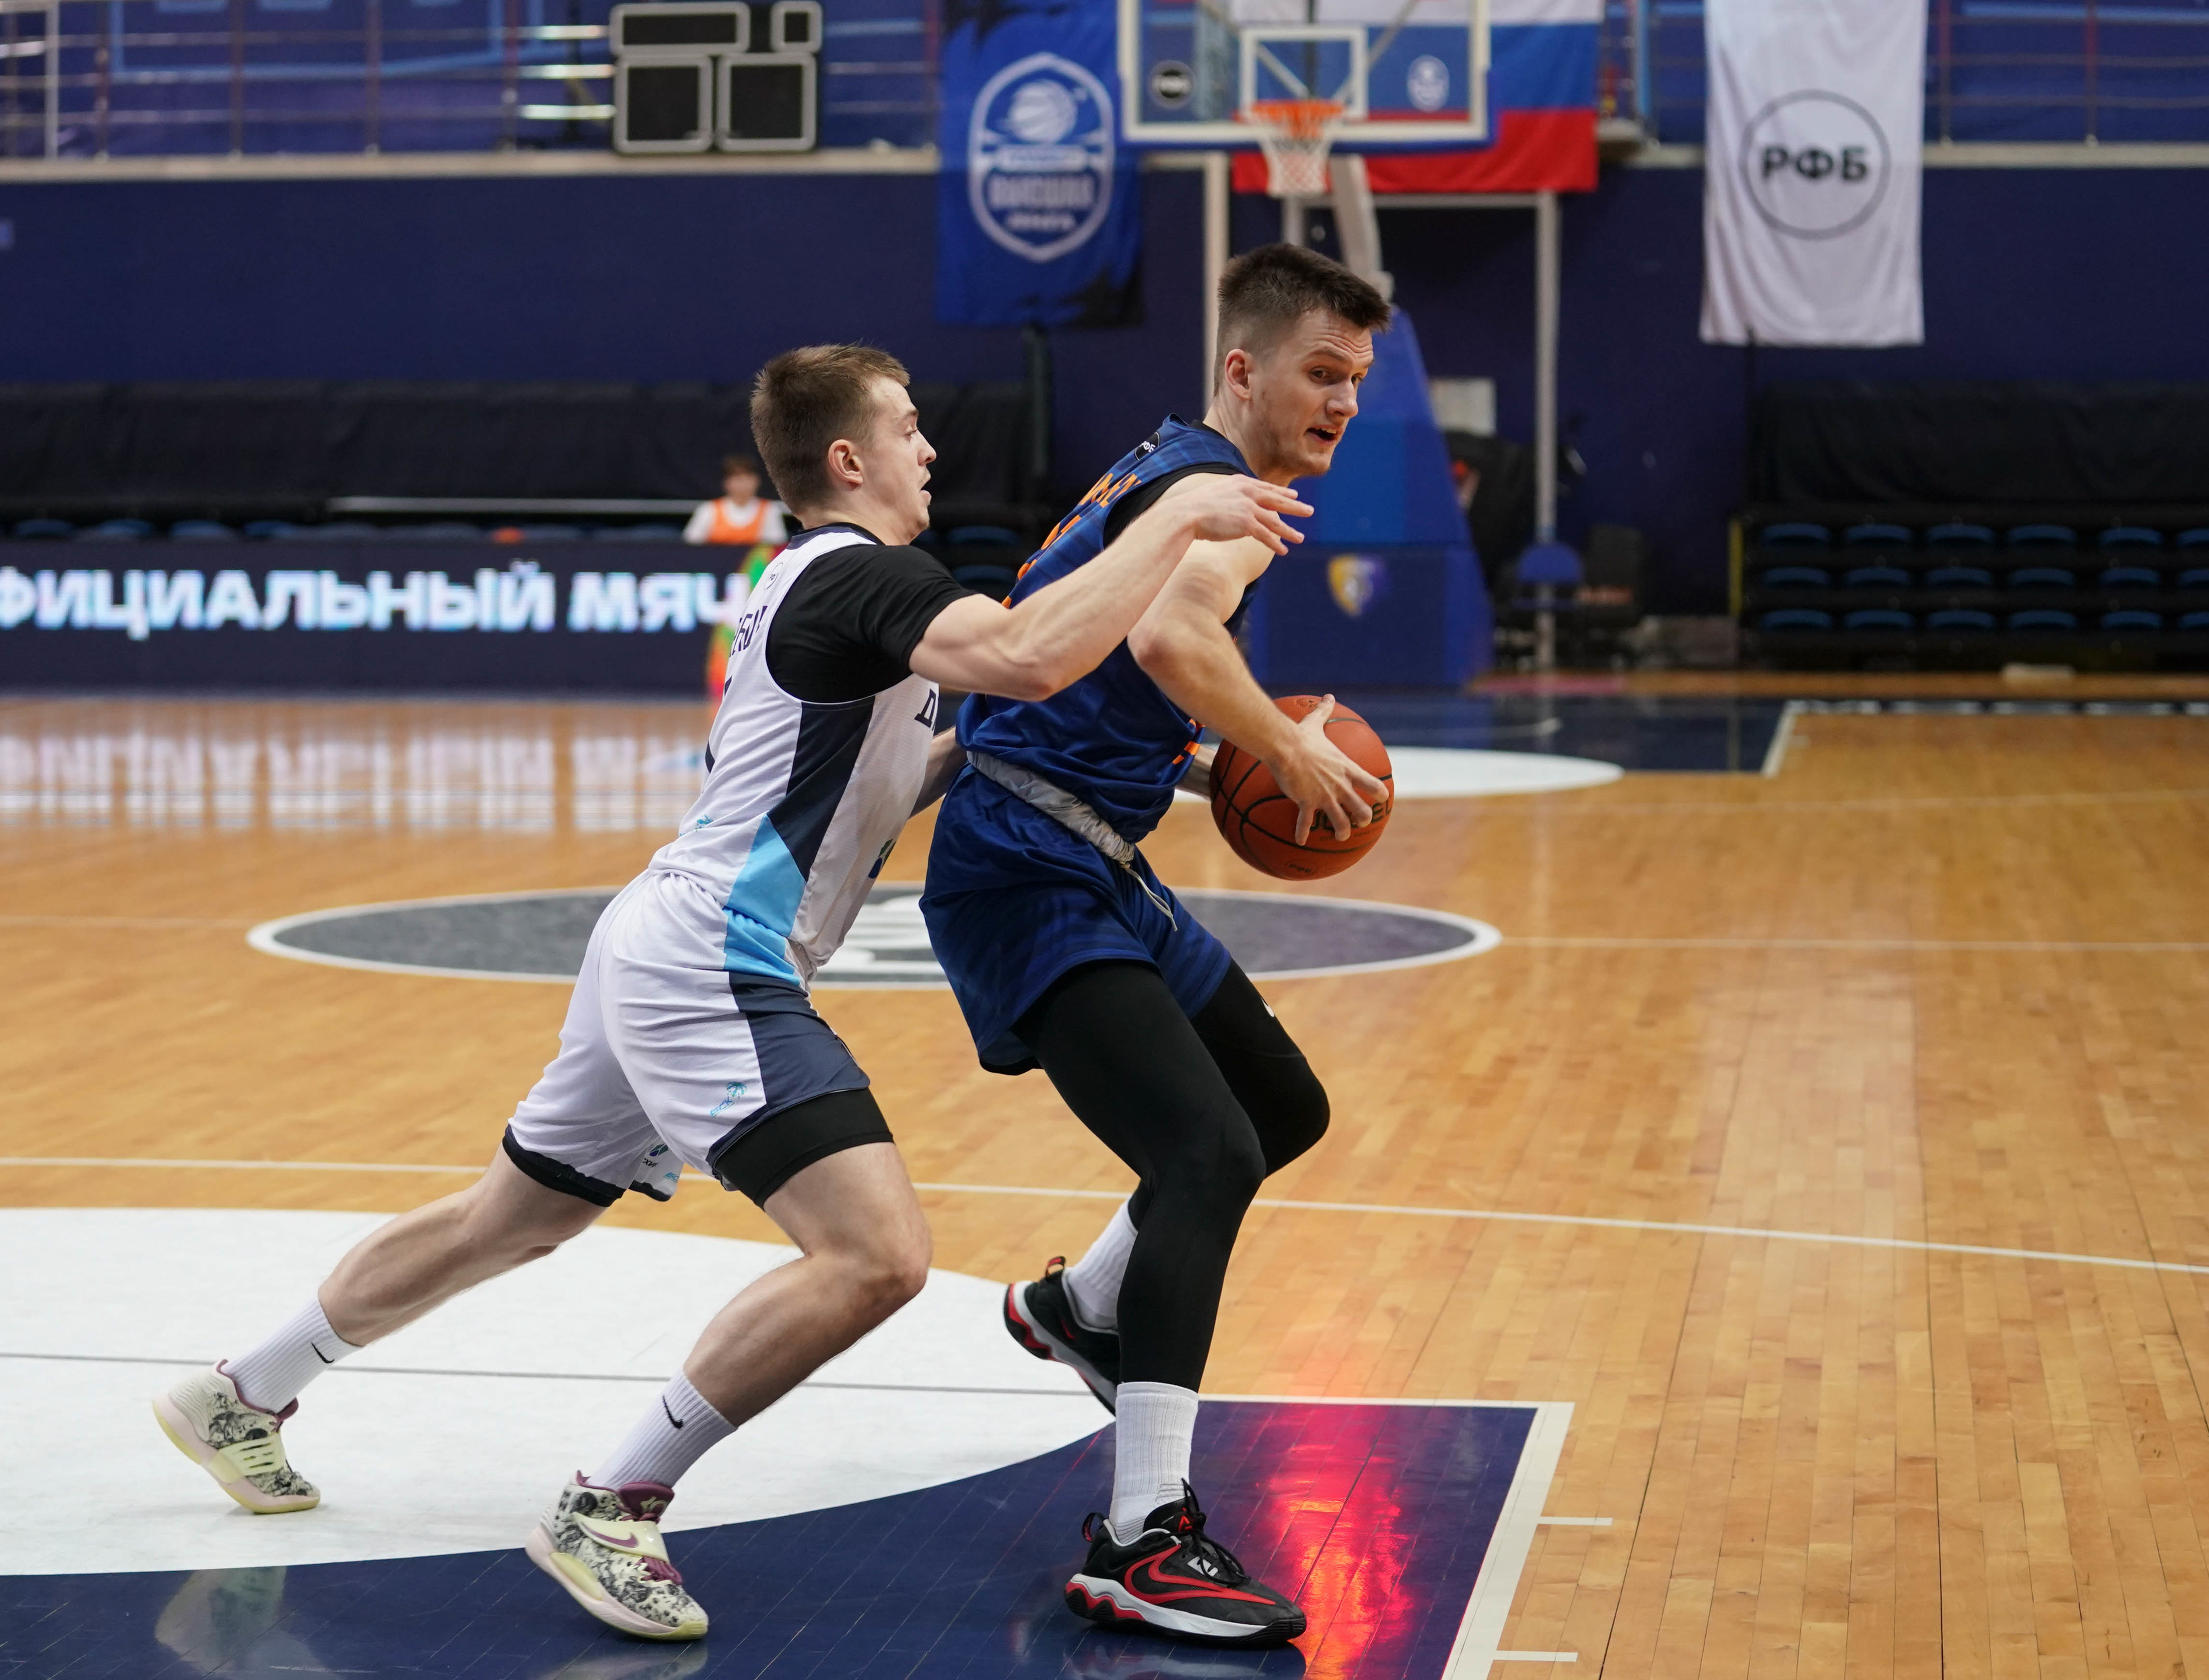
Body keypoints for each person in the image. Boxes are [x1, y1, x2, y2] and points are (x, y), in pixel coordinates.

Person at [152, 343, 1310, 1645]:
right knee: (876, 1255)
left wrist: (1205, 768)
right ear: (848, 459)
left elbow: (963, 741)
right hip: (714, 952)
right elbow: (1031, 655)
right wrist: (1175, 517)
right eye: (908, 428)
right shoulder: (862, 573)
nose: (931, 448)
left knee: (508, 1218)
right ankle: (611, 1503)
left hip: (658, 935)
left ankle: (241, 1392)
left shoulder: (829, 592)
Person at [917, 245, 1396, 1650]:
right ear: (1243, 368)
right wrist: (1281, 751)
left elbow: (1119, 672)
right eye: (1321, 372)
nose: (1343, 402)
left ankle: (1082, 1307)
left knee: (1280, 1108)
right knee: (1206, 1152)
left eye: (1358, 380)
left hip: (1086, 845)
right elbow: (1179, 643)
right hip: (1027, 863)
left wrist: (1201, 763)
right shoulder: (1226, 499)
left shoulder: (1162, 469)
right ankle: (1144, 1533)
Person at [684, 454, 789, 547]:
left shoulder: (770, 510)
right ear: (727, 482)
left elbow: (776, 548)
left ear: (757, 481)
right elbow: (690, 546)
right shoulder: (709, 510)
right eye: (737, 478)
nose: (743, 484)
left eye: (747, 478)